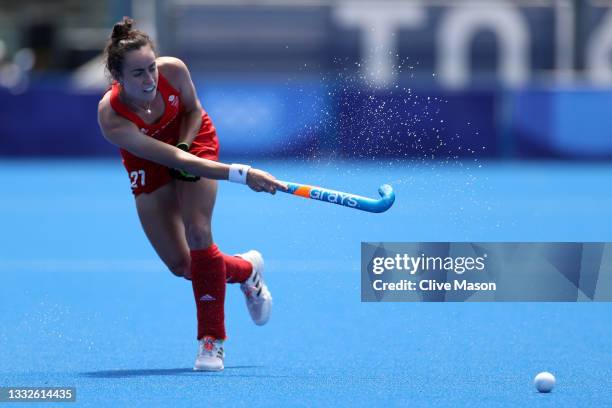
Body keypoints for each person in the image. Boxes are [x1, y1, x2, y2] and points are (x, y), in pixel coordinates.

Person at [97, 17, 286, 372]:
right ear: (118, 78)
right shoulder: (111, 117)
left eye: (151, 67)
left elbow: (194, 111)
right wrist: (244, 174)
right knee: (183, 266)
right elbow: (170, 159)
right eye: (137, 73)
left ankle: (211, 341)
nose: (150, 79)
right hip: (150, 160)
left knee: (199, 233)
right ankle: (247, 270)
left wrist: (186, 142)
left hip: (192, 139)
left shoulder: (174, 71)